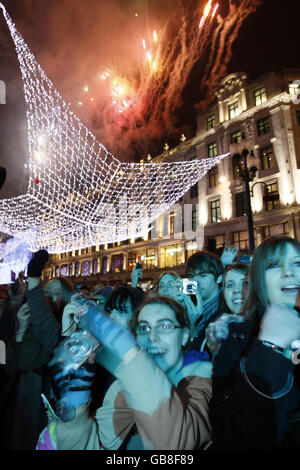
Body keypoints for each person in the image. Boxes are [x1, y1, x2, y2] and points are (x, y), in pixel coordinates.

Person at [39, 296, 212, 450]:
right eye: (144, 328)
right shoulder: (122, 388)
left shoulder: (201, 381)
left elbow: (178, 443)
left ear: (184, 335)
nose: (152, 337)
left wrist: (124, 349)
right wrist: (76, 410)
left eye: (165, 326)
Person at [209, 235, 300, 449]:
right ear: (259, 280)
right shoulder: (235, 340)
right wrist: (270, 348)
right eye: (274, 266)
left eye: (297, 263)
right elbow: (229, 430)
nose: (288, 272)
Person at [185, 250, 226, 355]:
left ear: (219, 278)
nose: (195, 281)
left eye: (203, 275)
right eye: (191, 276)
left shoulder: (225, 310)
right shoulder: (187, 303)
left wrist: (192, 326)